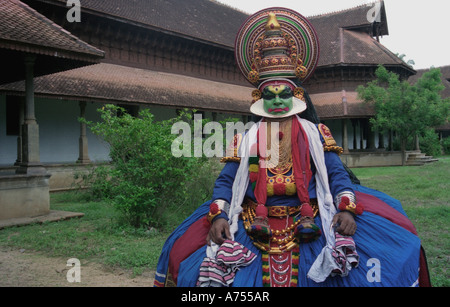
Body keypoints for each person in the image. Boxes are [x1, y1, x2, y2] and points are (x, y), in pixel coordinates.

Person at [154, 8, 430, 287]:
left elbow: (335, 175)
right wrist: (219, 216)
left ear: (297, 95)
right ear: (258, 97)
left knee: (385, 253)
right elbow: (226, 181)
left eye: (283, 94)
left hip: (309, 216)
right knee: (186, 254)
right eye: (269, 95)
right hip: (252, 220)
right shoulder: (245, 139)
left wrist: (346, 209)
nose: (277, 102)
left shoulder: (316, 134)